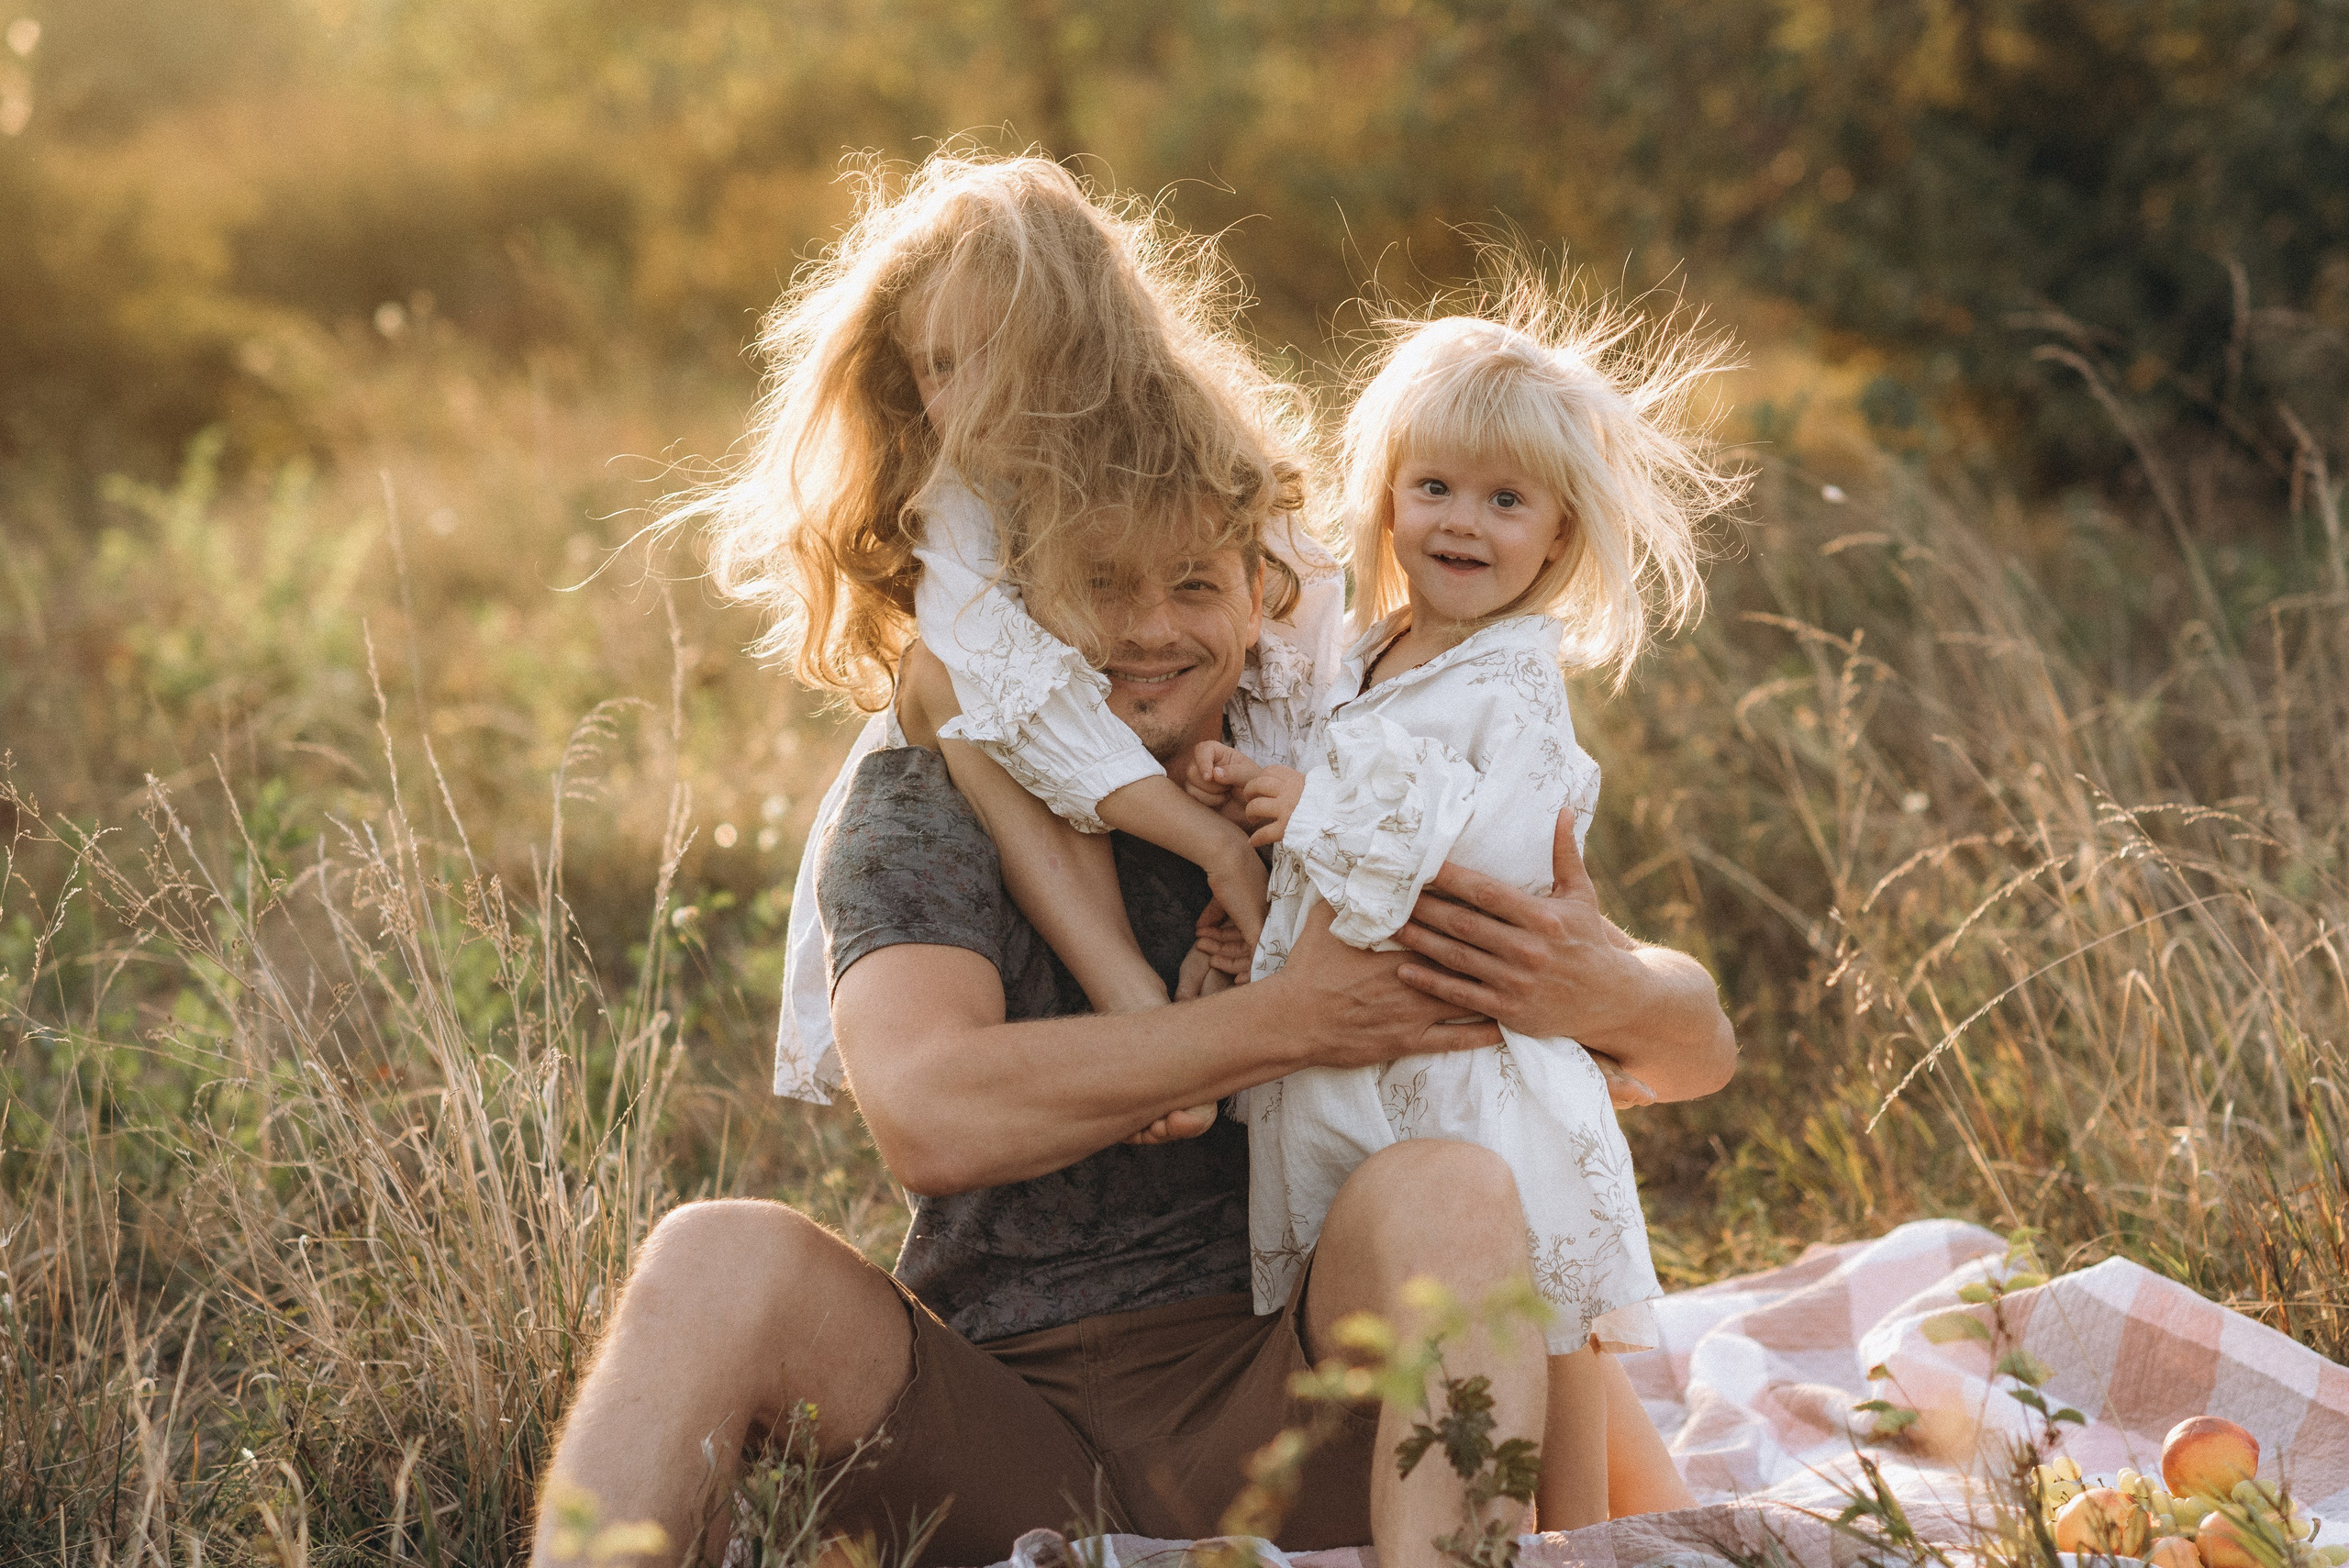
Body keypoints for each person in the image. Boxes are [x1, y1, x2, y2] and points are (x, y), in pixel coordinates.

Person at [1183, 302, 1743, 1530]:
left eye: (1506, 501)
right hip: (1389, 1078)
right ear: (1387, 497)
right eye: (1435, 485)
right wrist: (1260, 911)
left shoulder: (1512, 685)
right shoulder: (1379, 654)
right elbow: (1346, 880)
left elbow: (1476, 865)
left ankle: (1584, 1538)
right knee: (1479, 1334)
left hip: (1483, 1085)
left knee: (1548, 1322)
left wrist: (1310, 810)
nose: (1463, 522)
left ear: (1558, 535)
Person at [697, 154, 1346, 1143]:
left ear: (1078, 355)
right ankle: (1131, 996)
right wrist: (1208, 844)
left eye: (991, 355)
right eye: (936, 366)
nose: (961, 398)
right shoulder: (955, 495)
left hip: (1211, 721)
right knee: (954, 681)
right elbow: (1033, 712)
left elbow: (1307, 627)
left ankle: (1213, 1007)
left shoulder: (1188, 446)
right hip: (1023, 743)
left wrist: (1272, 818)